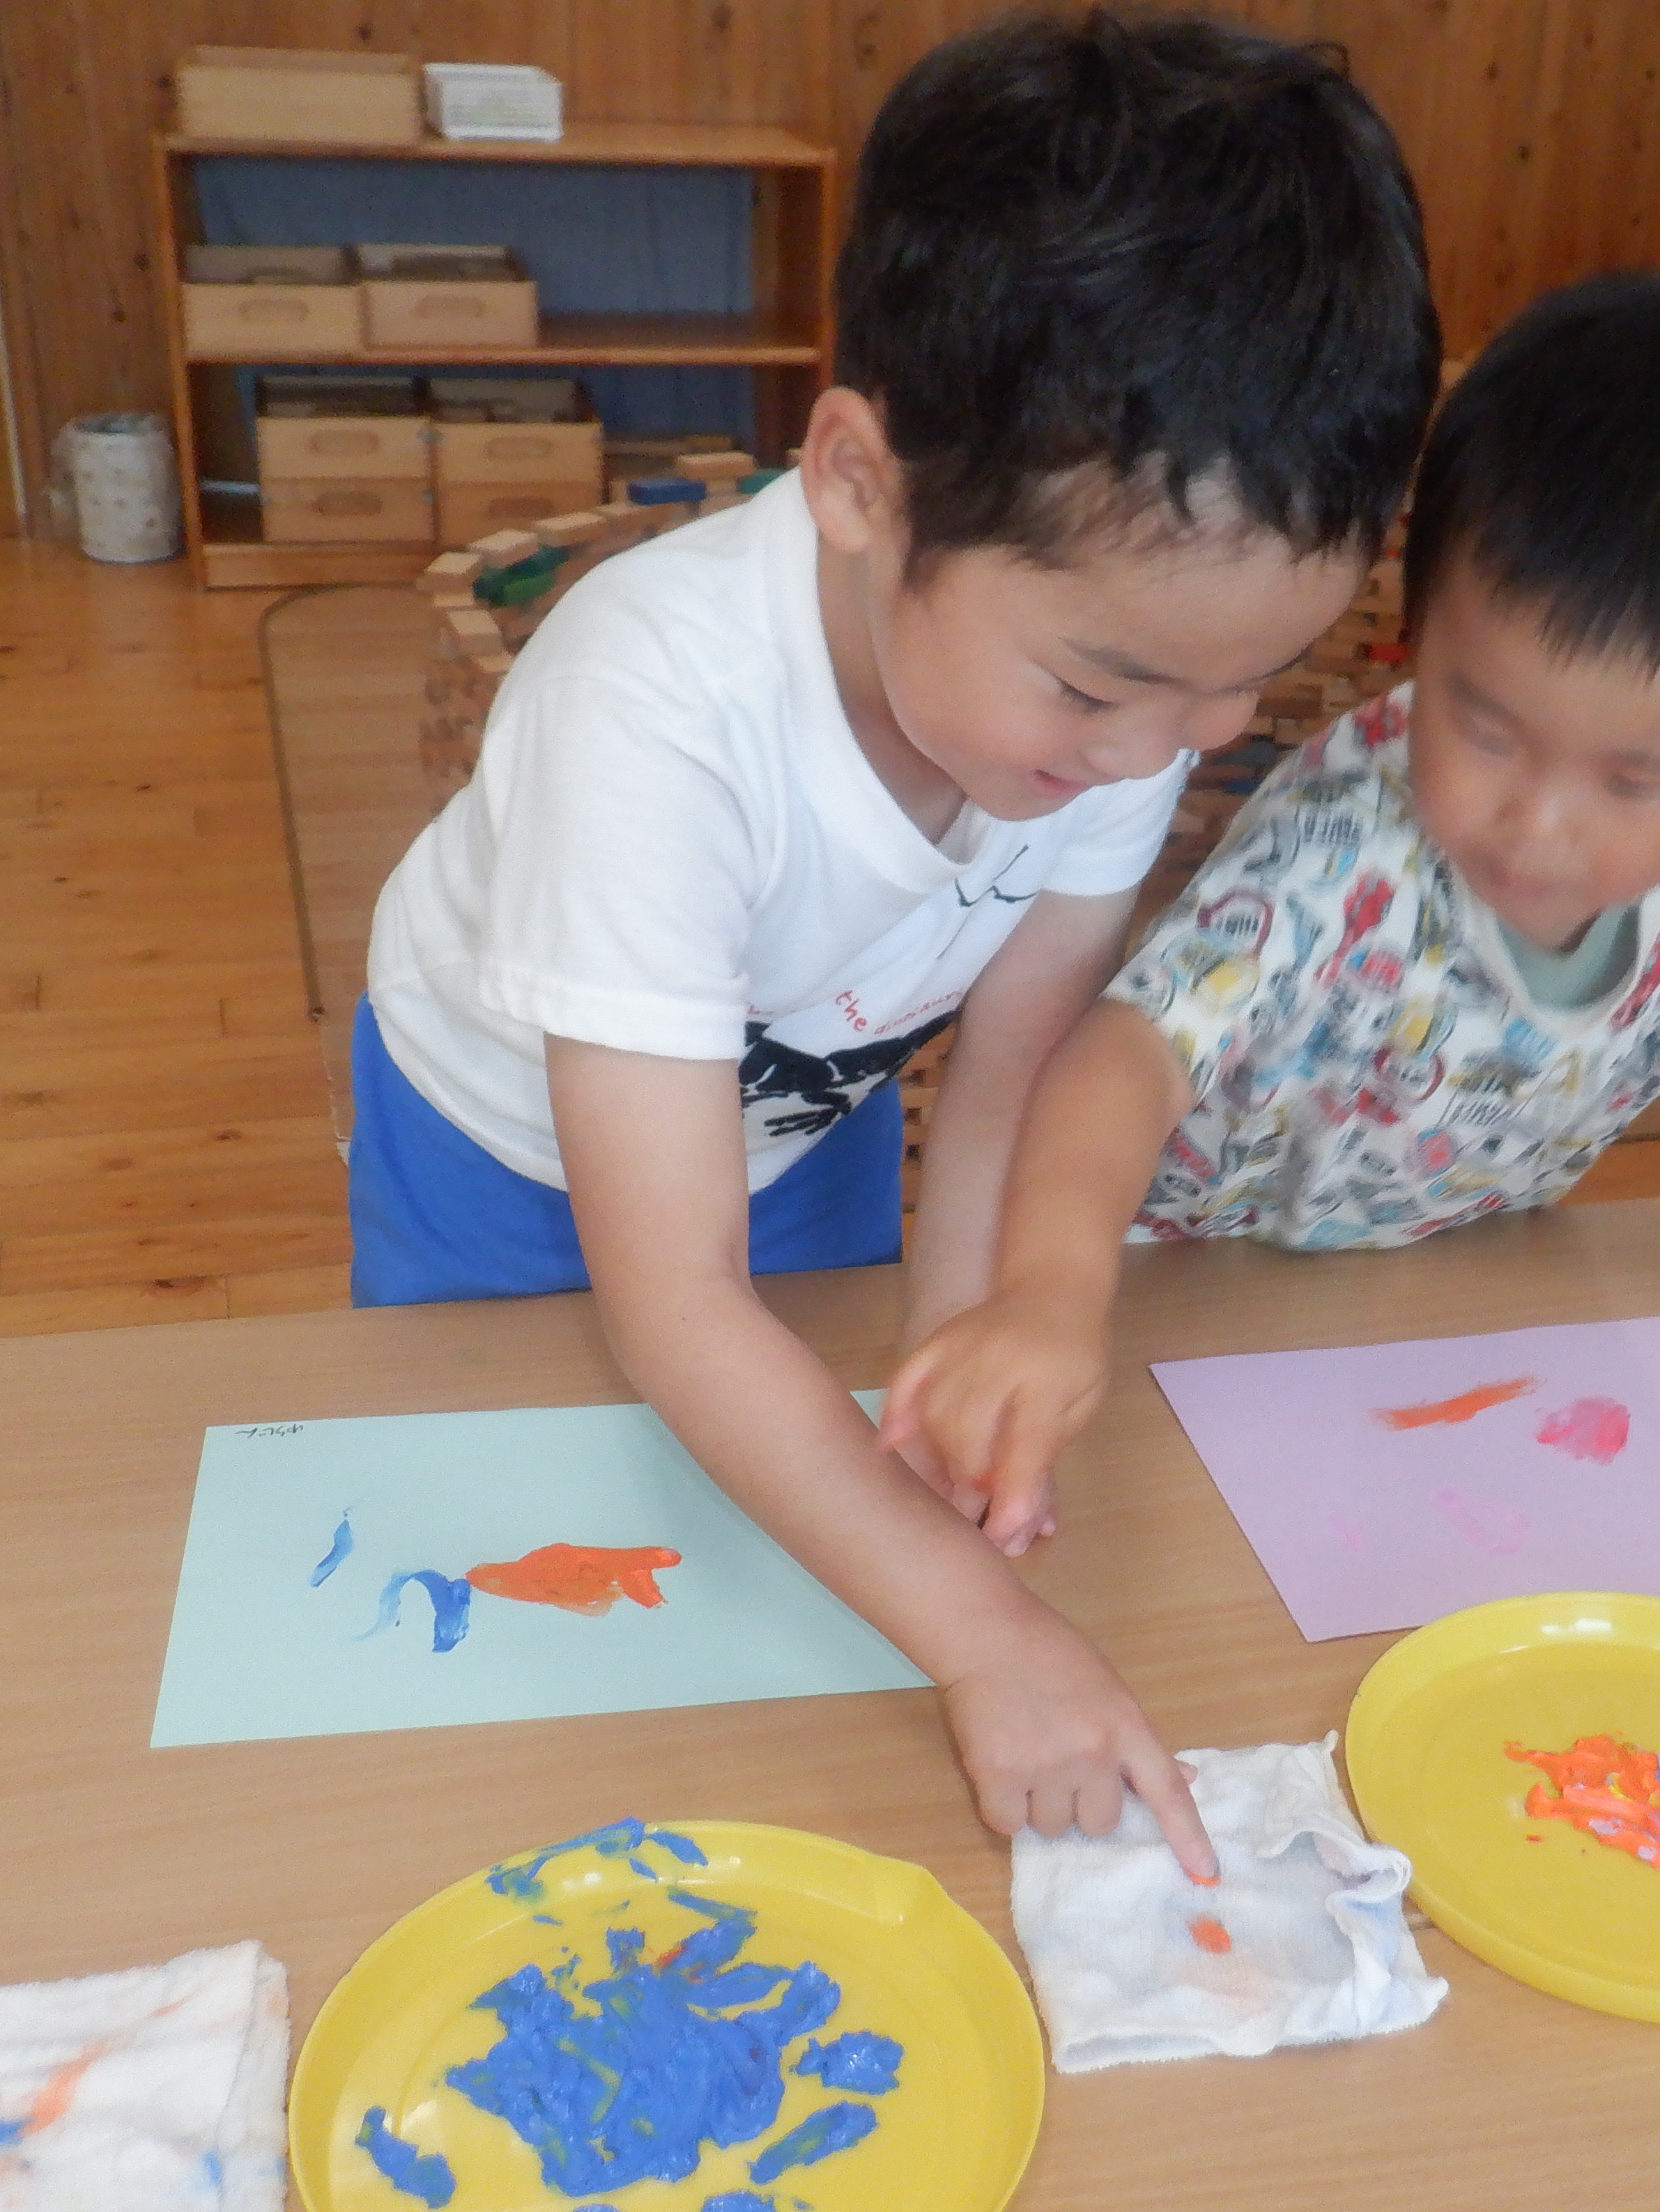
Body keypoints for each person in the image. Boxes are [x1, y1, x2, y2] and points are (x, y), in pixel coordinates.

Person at [351, 11, 1440, 1875]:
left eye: (1239, 690)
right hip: (500, 1143)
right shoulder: (651, 707)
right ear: (860, 481)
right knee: (533, 1590)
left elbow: (1000, 1085)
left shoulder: (1106, 694)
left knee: (806, 1545)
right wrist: (985, 1633)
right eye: (1103, 688)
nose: (1165, 753)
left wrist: (963, 1360)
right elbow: (674, 1299)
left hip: (817, 1101)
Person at [882, 274, 1660, 1552]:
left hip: (1453, 1279)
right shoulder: (1345, 846)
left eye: (1633, 780)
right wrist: (1047, 1296)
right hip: (1183, 1281)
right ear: (1418, 635)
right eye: (1486, 730)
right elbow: (1121, 1058)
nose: (1537, 826)